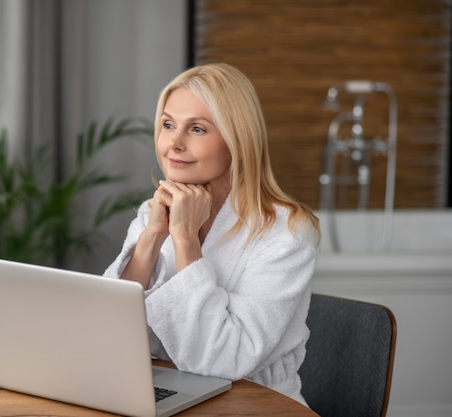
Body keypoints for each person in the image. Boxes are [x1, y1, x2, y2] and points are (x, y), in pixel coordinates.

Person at [103, 63, 320, 406]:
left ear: (237, 139)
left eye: (198, 129)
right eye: (168, 125)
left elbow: (226, 362)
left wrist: (186, 239)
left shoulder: (285, 233)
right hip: (159, 393)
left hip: (256, 403)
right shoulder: (152, 213)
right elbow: (106, 334)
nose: (174, 143)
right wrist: (153, 236)